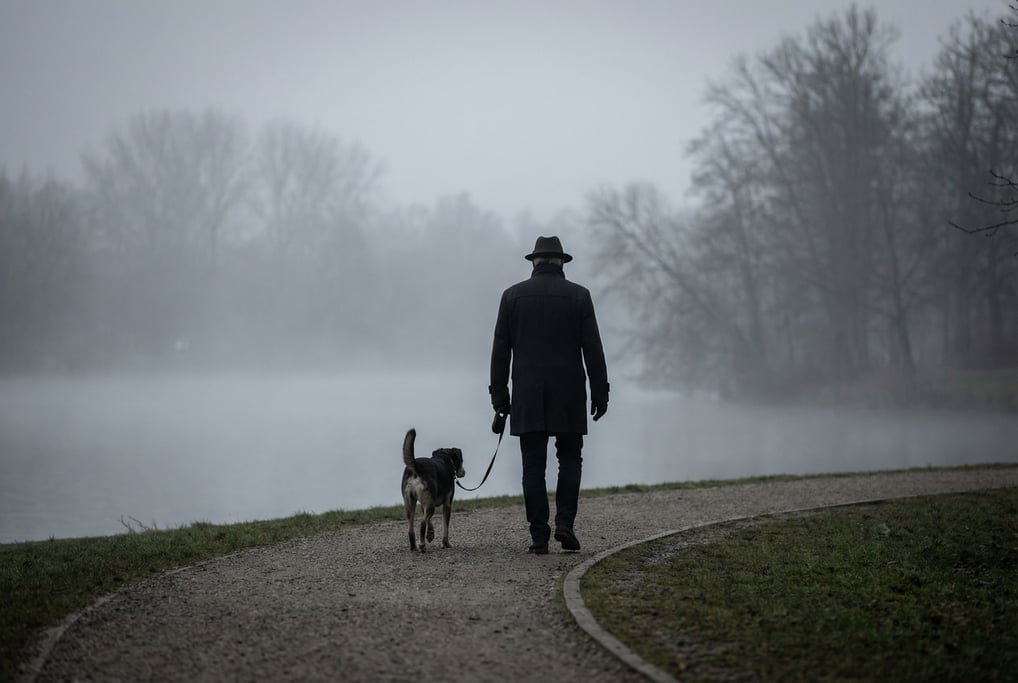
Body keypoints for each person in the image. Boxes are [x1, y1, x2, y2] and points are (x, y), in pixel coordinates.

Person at [489, 235, 610, 555]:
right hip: (569, 393)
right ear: (561, 262)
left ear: (534, 262)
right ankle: (565, 524)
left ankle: (539, 536)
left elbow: (500, 352)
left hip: (527, 394)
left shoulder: (511, 297)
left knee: (532, 467)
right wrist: (601, 391)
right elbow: (593, 349)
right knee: (570, 459)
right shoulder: (579, 296)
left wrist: (500, 399)